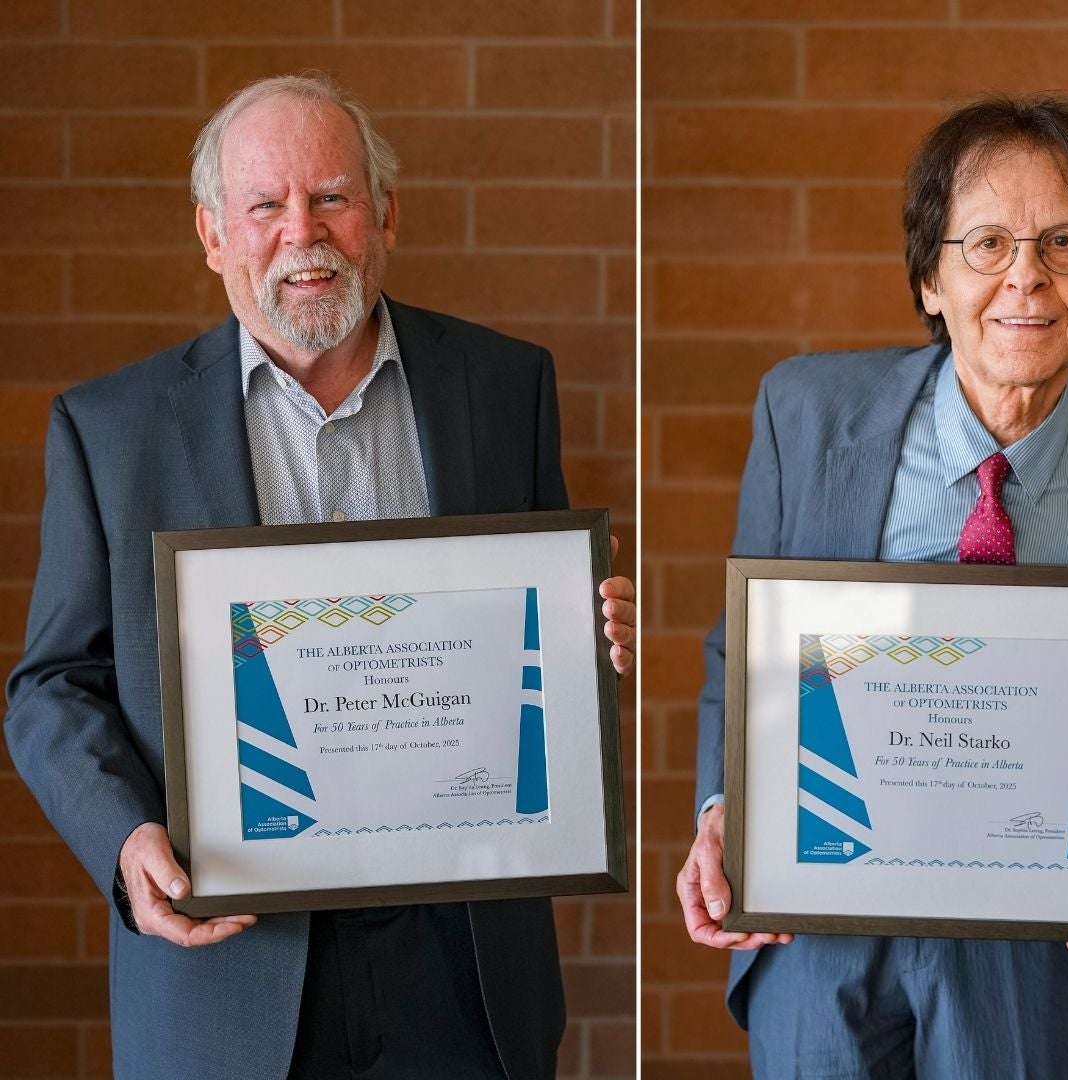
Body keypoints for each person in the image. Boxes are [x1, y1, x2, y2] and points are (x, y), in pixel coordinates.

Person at [3, 74, 636, 1080]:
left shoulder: (504, 385)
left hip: (461, 964)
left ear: (383, 213)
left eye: (332, 197)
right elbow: (49, 688)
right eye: (266, 205)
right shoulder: (110, 431)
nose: (304, 232)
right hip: (233, 970)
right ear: (213, 234)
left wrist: (590, 637)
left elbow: (543, 647)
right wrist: (126, 842)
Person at [673, 95, 1068, 1078]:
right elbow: (740, 647)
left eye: (1063, 242)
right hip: (819, 917)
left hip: (1038, 939)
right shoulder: (804, 412)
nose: (1026, 277)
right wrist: (722, 806)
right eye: (987, 244)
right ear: (929, 276)